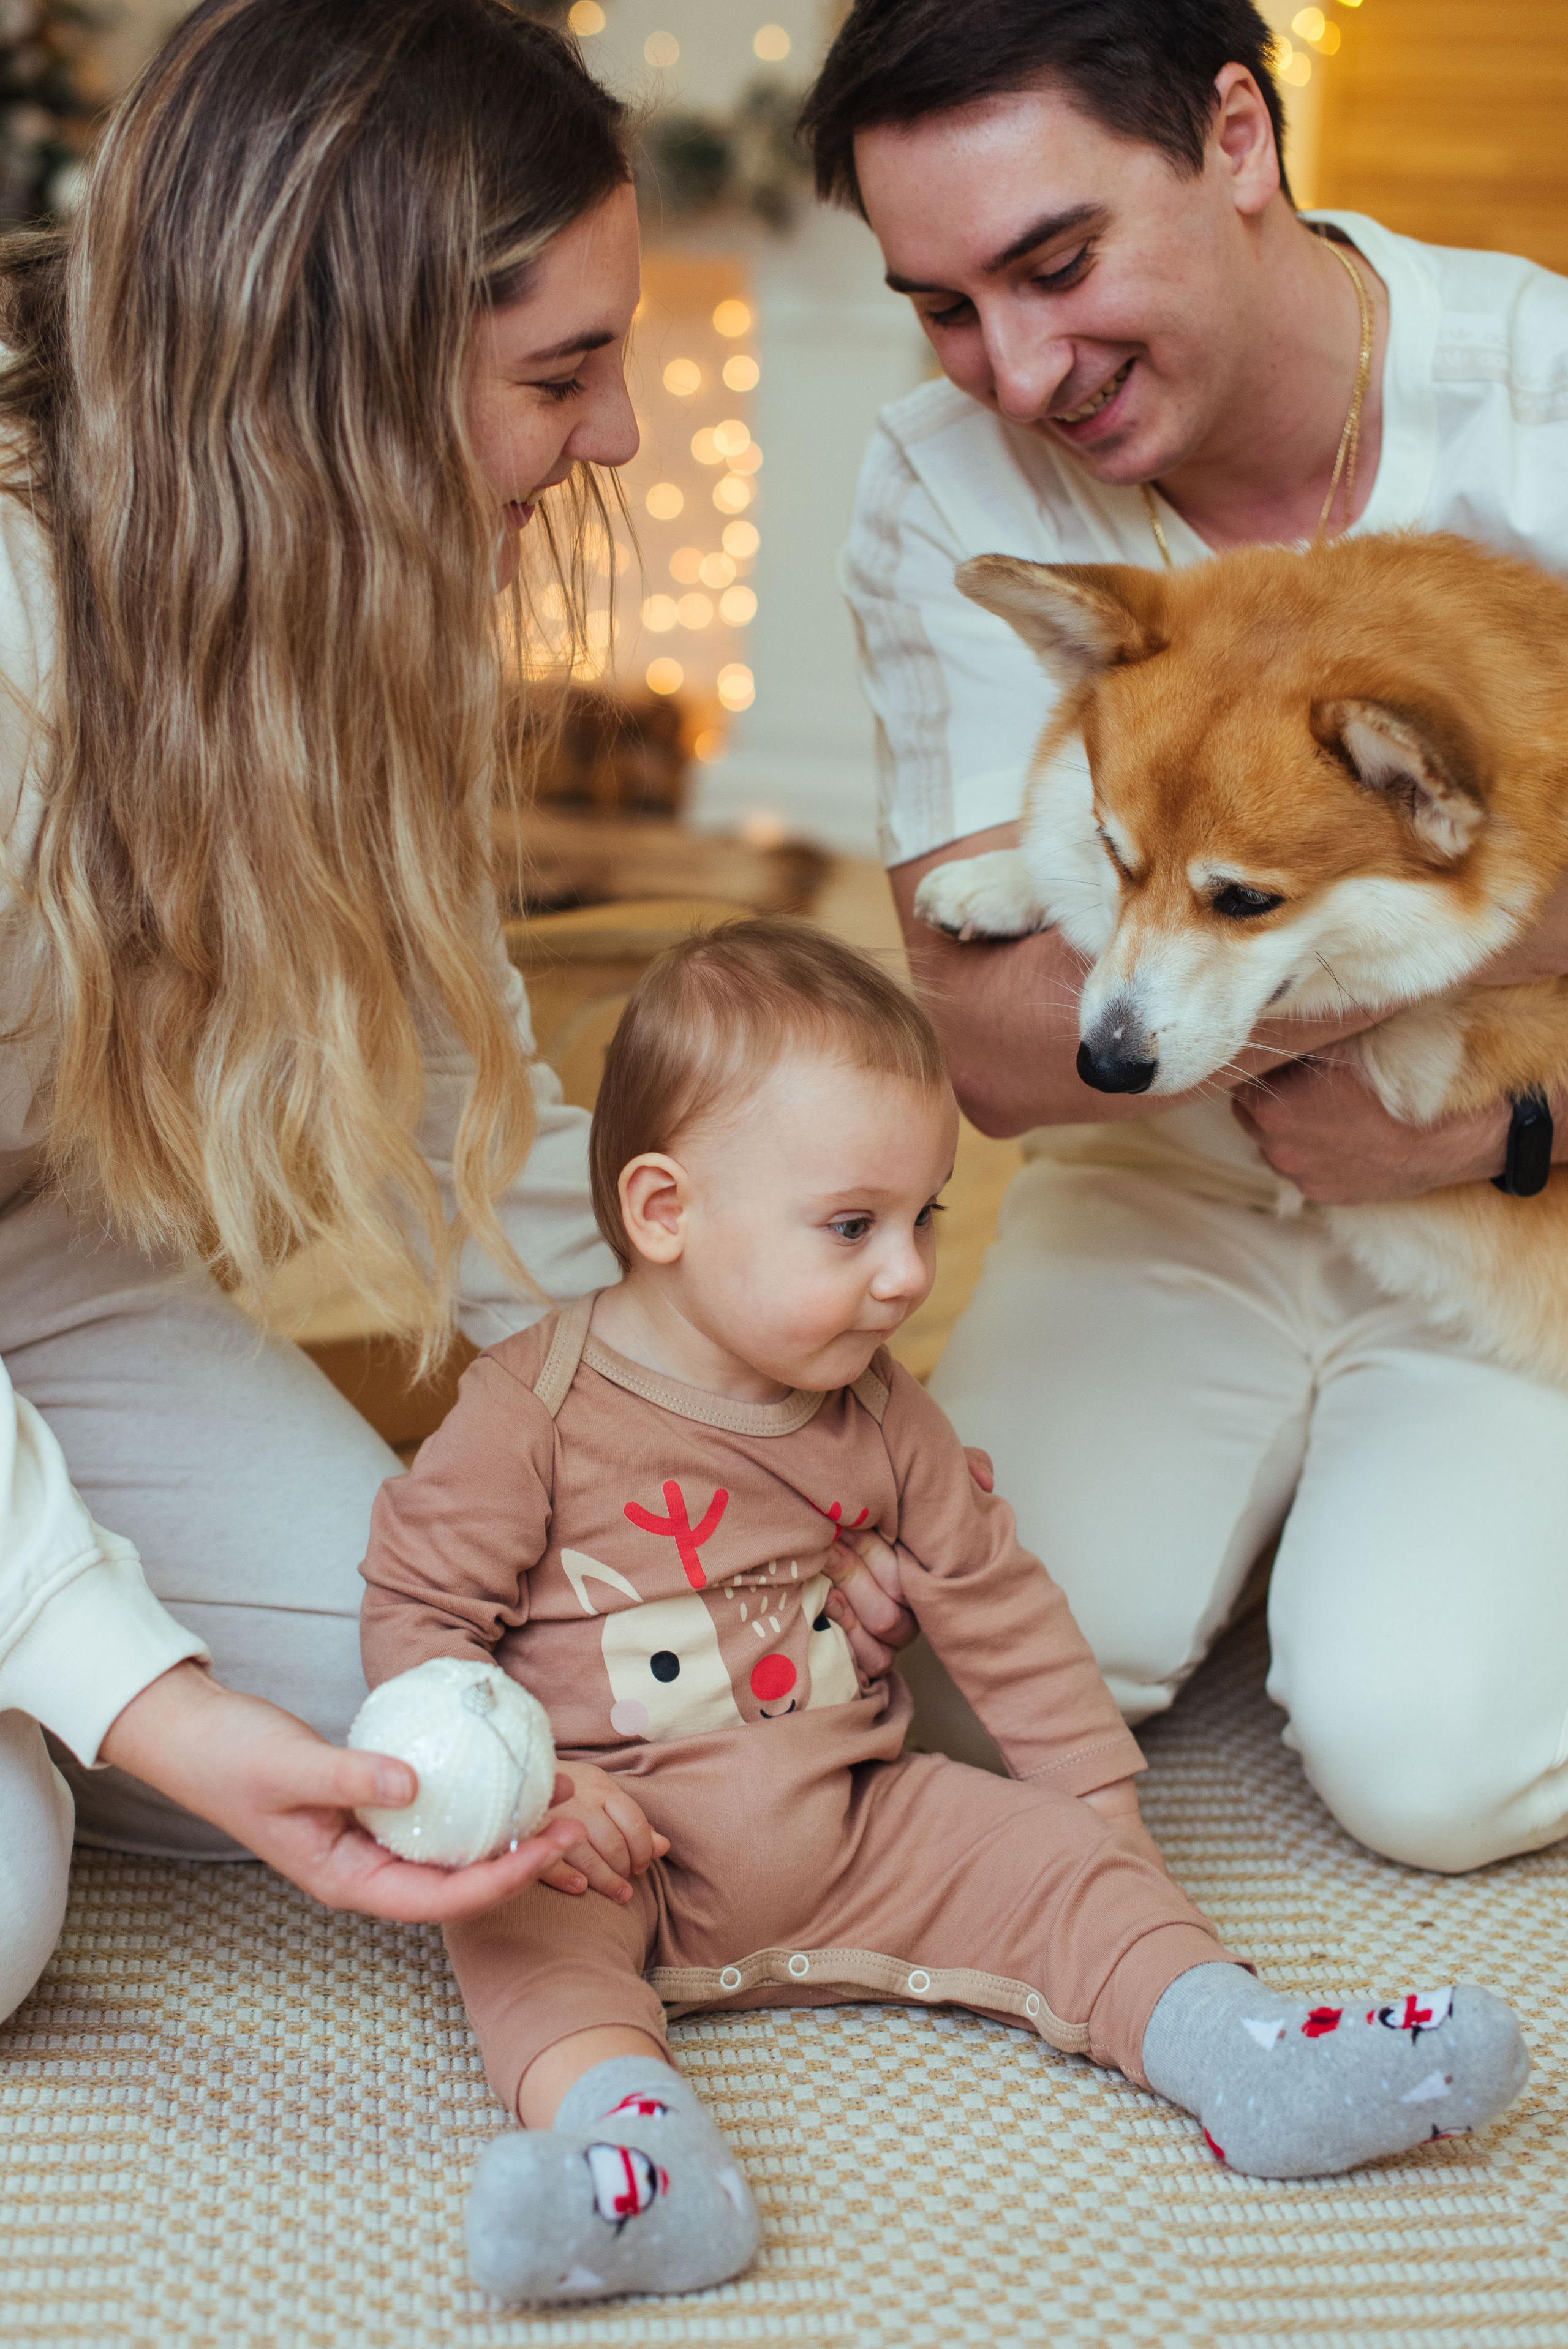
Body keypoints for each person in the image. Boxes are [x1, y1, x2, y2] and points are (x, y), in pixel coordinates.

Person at [358, 919, 1527, 2307]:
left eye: (926, 1217)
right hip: (618, 1851)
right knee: (511, 1938)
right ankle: (647, 2162)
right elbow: (419, 1623)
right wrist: (531, 1798)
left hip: (856, 1816)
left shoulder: (881, 1408)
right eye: (853, 1227)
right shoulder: (530, 1409)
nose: (908, 1273)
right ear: (665, 1213)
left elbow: (996, 1601)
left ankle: (1249, 2057)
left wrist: (1098, 1818)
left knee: (1055, 1863)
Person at [797, 0, 1568, 1874]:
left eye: (1058, 264)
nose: (1017, 371)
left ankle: (1375, 1545)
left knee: (1432, 1767)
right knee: (949, 1691)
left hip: (1513, 1189)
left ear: (1237, 136)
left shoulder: (1540, 394)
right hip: (1159, 1180)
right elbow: (1000, 1049)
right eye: (944, 305)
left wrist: (1500, 1126)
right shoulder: (944, 479)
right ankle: (1262, 1512)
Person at [0, 0, 653, 2023]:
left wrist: (695, 1452)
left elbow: (472, 1093)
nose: (620, 436)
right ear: (341, 372)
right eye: (563, 374)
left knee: (468, 1706)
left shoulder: (356, 587)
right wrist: (139, 1691)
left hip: (36, 1257)